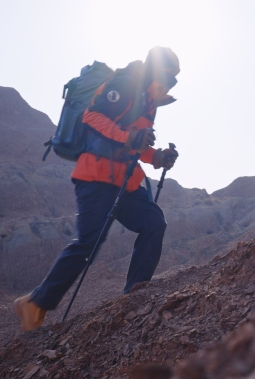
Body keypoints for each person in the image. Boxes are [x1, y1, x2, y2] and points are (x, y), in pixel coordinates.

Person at [14, 47, 180, 331]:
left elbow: (134, 142)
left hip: (126, 180)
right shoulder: (126, 84)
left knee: (154, 223)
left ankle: (135, 295)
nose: (171, 82)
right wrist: (130, 137)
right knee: (88, 244)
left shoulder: (149, 99)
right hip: (96, 177)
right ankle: (35, 303)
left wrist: (157, 157)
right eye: (169, 76)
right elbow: (92, 117)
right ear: (158, 71)